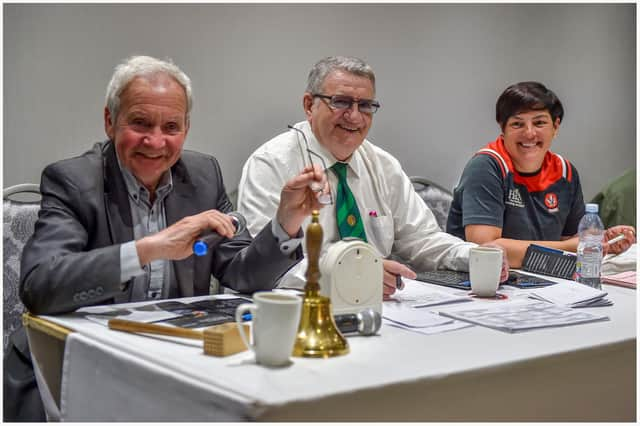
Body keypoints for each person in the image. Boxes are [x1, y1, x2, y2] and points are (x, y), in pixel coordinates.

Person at [6, 55, 324, 421]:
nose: (155, 142)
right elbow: (40, 288)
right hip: (73, 366)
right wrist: (151, 248)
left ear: (186, 128)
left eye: (171, 127)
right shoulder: (73, 181)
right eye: (139, 123)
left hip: (173, 362)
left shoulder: (203, 175)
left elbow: (242, 274)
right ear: (110, 122)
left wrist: (286, 221)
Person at [237, 55, 509, 299]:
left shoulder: (382, 164)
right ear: (309, 105)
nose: (354, 116)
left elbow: (421, 238)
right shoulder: (271, 164)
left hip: (379, 311)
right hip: (296, 306)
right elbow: (263, 265)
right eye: (341, 102)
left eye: (365, 105)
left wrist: (472, 255)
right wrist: (353, 276)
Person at [446, 81, 635, 267]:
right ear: (502, 128)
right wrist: (570, 247)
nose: (529, 133)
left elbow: (573, 239)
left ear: (556, 126)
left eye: (539, 123)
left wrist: (600, 242)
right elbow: (486, 250)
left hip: (541, 282)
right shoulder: (487, 166)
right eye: (517, 124)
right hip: (476, 286)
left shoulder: (565, 172)